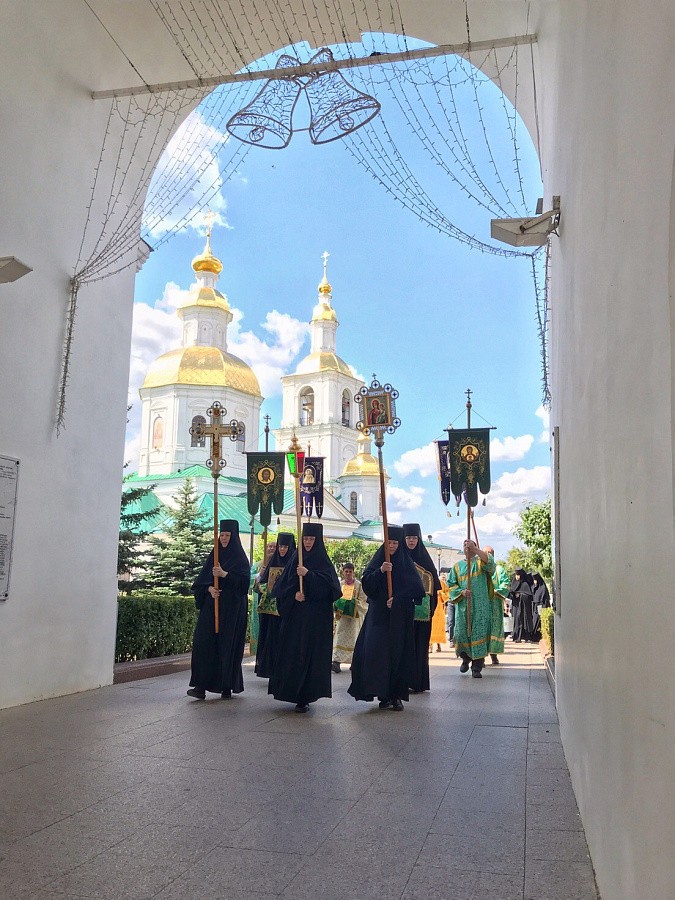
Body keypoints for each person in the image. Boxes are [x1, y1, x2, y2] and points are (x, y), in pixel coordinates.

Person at [348, 525, 425, 711]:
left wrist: (397, 600)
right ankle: (382, 693)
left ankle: (396, 696)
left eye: (395, 543)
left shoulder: (406, 564)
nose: (391, 546)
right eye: (388, 542)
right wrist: (380, 571)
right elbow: (367, 584)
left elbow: (416, 591)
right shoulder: (378, 561)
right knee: (376, 654)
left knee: (397, 655)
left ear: (399, 544)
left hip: (398, 620)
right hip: (378, 617)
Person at [268, 522, 341, 713]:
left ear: (317, 541)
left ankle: (305, 697)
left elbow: (332, 589)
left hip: (315, 621)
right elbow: (281, 588)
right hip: (295, 620)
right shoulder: (295, 559)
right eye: (305, 539)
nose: (308, 542)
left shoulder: (323, 562)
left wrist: (309, 575)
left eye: (311, 539)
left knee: (309, 656)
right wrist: (294, 595)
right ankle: (291, 693)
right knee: (293, 654)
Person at [187, 519, 251, 700]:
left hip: (231, 611)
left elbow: (243, 585)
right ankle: (200, 686)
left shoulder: (240, 559)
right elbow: (199, 583)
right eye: (221, 535)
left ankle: (226, 684)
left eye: (227, 535)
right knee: (203, 643)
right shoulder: (214, 556)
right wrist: (209, 589)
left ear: (234, 537)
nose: (223, 538)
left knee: (226, 646)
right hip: (211, 608)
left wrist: (224, 575)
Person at [447, 539, 496, 679]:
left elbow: (491, 564)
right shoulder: (457, 567)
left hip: (480, 606)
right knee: (461, 633)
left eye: (469, 545)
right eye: (465, 545)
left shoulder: (480, 562)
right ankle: (465, 658)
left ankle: (477, 667)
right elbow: (451, 584)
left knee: (479, 634)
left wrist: (475, 549)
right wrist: (461, 592)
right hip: (463, 606)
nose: (467, 547)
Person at [402, 523, 441, 692]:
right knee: (404, 647)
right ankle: (403, 682)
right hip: (403, 611)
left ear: (419, 539)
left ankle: (418, 682)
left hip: (422, 614)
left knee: (419, 647)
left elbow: (434, 588)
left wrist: (429, 608)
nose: (411, 541)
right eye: (408, 538)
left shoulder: (425, 561)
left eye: (414, 538)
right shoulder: (399, 558)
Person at [255, 537, 289, 679]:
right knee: (270, 639)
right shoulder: (270, 563)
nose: (282, 549)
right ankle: (269, 669)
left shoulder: (293, 564)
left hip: (285, 610)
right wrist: (262, 578)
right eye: (280, 546)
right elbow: (258, 586)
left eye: (285, 547)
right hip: (270, 611)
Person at [332, 563, 368, 673]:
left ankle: (354, 662)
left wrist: (353, 603)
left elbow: (364, 601)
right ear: (343, 572)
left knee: (355, 639)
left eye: (350, 572)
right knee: (339, 637)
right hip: (342, 617)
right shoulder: (340, 584)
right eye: (346, 571)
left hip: (354, 618)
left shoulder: (359, 585)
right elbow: (335, 598)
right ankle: (336, 662)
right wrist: (339, 604)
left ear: (353, 572)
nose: (348, 574)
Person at [484, 545, 509, 665]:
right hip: (482, 604)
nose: (488, 555)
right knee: (482, 629)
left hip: (495, 603)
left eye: (490, 553)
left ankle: (494, 654)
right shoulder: (479, 569)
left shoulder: (499, 569)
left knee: (494, 629)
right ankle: (480, 658)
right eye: (486, 553)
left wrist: (496, 591)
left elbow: (505, 584)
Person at [509, 569, 536, 642]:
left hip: (524, 607)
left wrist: (521, 595)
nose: (517, 577)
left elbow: (528, 595)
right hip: (516, 606)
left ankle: (527, 637)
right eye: (516, 575)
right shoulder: (514, 582)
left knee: (524, 620)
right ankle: (517, 637)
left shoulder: (525, 584)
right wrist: (514, 594)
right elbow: (511, 592)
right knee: (517, 619)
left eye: (518, 575)